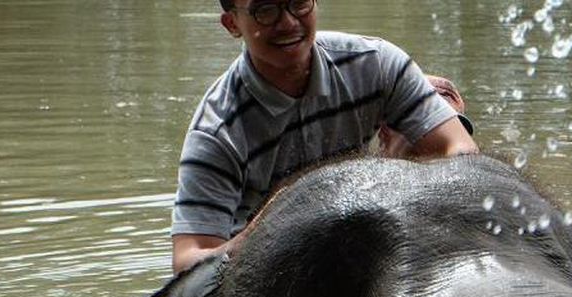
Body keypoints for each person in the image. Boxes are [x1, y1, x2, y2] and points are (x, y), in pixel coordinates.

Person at [171, 0, 479, 273]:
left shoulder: (375, 63)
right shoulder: (217, 131)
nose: (289, 22)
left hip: (365, 227)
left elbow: (459, 147)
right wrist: (257, 238)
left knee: (441, 101)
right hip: (271, 272)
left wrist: (405, 187)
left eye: (300, 3)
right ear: (232, 23)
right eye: (266, 10)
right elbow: (187, 259)